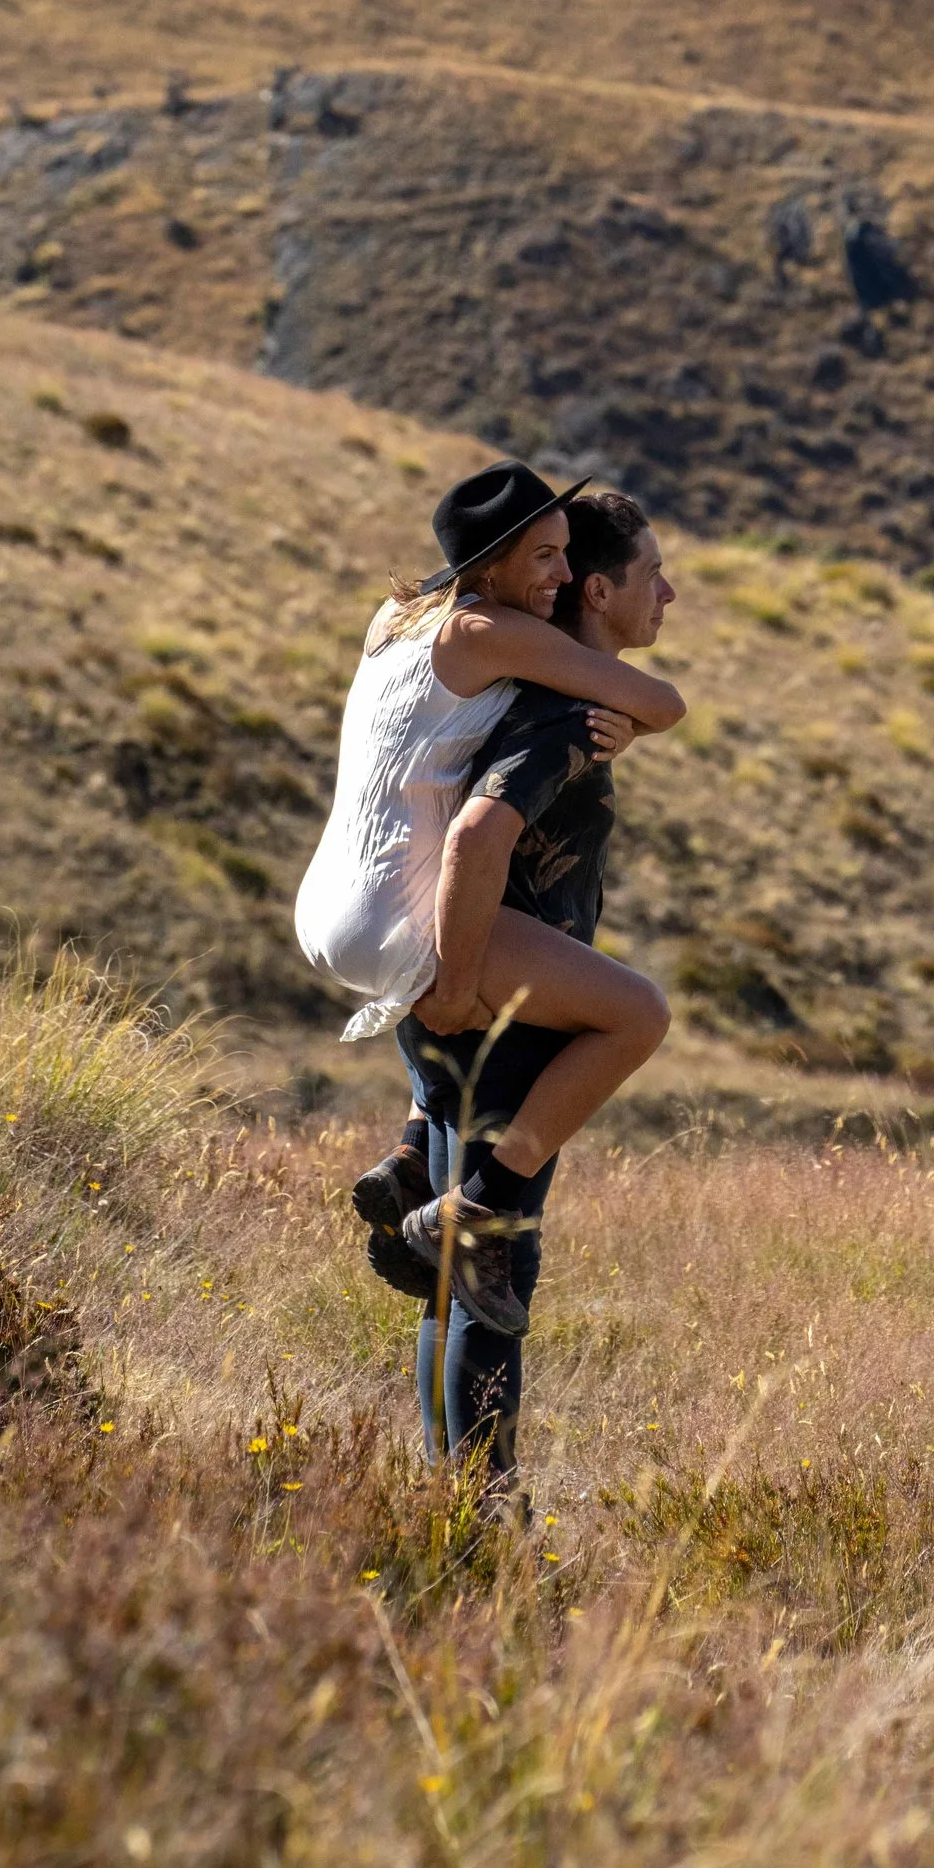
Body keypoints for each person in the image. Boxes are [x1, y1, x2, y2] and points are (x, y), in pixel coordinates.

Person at [370, 488, 675, 1474]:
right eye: (651, 575)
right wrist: (466, 986)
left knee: (453, 1274)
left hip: (458, 995)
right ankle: (481, 1518)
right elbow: (480, 834)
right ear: (597, 590)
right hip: (502, 1015)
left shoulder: (535, 696)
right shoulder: (561, 718)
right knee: (494, 1269)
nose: (669, 592)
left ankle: (444, 1496)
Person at [295, 454, 681, 1138]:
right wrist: (621, 725)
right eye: (544, 557)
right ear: (492, 566)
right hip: (393, 915)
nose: (563, 578)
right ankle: (490, 1197)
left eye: (565, 554)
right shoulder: (490, 632)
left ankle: (416, 1151)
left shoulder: (395, 616)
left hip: (323, 907)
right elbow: (663, 701)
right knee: (634, 1012)